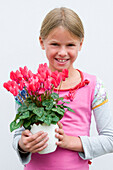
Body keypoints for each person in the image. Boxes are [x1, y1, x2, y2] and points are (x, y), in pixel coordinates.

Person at [13, 7, 113, 170]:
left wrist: (74, 142)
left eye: (70, 45)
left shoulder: (93, 86)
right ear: (41, 42)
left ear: (80, 44)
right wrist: (23, 145)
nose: (62, 52)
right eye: (54, 44)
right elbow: (18, 135)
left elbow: (110, 139)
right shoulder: (28, 87)